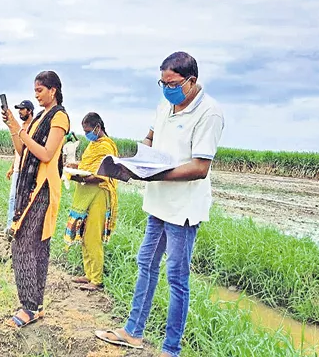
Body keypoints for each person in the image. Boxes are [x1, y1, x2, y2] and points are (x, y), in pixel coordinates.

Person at [95, 51, 225, 357]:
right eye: (162, 83)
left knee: (176, 278)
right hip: (158, 203)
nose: (167, 89)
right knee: (146, 264)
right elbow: (151, 139)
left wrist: (156, 175)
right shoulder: (164, 107)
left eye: (173, 83)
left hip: (183, 210)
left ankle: (171, 349)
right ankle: (133, 332)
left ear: (191, 81)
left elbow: (200, 167)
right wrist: (133, 164)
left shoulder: (209, 113)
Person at [1, 70, 70, 328]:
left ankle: (28, 307)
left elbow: (45, 153)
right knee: (37, 247)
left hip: (41, 190)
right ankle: (36, 306)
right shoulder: (41, 116)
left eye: (40, 91)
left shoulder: (59, 117)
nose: (37, 96)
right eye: (35, 92)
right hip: (30, 188)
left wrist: (23, 132)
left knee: (24, 246)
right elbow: (23, 150)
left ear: (53, 90)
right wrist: (13, 126)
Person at [64, 113, 119, 291]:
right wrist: (76, 167)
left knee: (93, 236)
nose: (87, 134)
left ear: (98, 127)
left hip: (99, 193)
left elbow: (104, 173)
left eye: (88, 130)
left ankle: (96, 280)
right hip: (86, 193)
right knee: (85, 235)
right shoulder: (92, 145)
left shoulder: (107, 146)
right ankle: (88, 274)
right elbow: (89, 165)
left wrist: (82, 177)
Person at [5, 100, 35, 233]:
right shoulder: (19, 127)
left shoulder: (34, 127)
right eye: (18, 109)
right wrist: (12, 168)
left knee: (23, 199)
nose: (20, 112)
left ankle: (19, 227)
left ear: (29, 111)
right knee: (13, 197)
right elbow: (18, 150)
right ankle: (10, 226)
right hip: (18, 168)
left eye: (22, 109)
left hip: (26, 169)